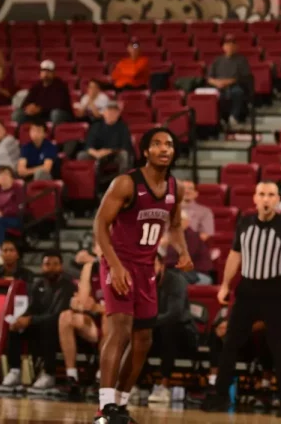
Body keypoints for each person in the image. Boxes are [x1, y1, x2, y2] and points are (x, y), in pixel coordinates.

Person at [93, 127, 189, 424]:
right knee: (119, 329)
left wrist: (182, 252)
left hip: (147, 269)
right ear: (145, 151)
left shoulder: (176, 188)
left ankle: (120, 403)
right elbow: (99, 225)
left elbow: (173, 225)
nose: (164, 148)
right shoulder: (126, 183)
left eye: (169, 144)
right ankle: (105, 405)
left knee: (144, 339)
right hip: (118, 264)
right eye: (157, 144)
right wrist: (115, 265)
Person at [204, 180, 281, 415]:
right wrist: (225, 286)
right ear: (255, 198)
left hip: (273, 293)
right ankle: (220, 397)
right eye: (262, 194)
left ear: (278, 199)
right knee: (230, 343)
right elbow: (234, 256)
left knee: (278, 346)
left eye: (271, 194)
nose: (267, 199)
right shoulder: (245, 223)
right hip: (247, 291)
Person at [0, 249, 76, 395]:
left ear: (61, 266)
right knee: (14, 327)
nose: (51, 267)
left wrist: (31, 320)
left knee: (48, 327)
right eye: (47, 264)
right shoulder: (38, 284)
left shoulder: (68, 286)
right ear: (42, 266)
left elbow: (58, 315)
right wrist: (21, 319)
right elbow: (32, 308)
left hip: (59, 328)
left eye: (55, 264)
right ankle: (15, 371)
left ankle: (49, 374)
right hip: (38, 323)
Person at [146, 251, 198, 405]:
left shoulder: (176, 281)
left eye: (152, 265)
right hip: (156, 332)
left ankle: (164, 385)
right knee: (138, 333)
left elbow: (174, 314)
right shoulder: (143, 283)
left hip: (183, 336)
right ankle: (136, 385)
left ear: (161, 265)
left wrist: (147, 322)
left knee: (169, 329)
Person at [57, 253, 104, 400]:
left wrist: (97, 307)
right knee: (65, 316)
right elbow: (83, 302)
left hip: (116, 324)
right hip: (94, 322)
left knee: (110, 319)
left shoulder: (122, 267)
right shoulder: (90, 268)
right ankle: (71, 377)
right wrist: (78, 303)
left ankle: (101, 378)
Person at [79, 102, 134, 184]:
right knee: (81, 155)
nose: (111, 114)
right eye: (109, 111)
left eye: (114, 112)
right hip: (97, 154)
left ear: (118, 114)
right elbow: (88, 145)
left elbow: (125, 146)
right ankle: (92, 186)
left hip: (114, 155)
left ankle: (121, 185)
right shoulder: (96, 126)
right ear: (104, 113)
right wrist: (96, 153)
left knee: (124, 155)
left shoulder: (123, 127)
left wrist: (109, 151)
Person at [206, 35, 252, 126]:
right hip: (218, 86)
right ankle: (218, 119)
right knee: (213, 95)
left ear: (236, 47)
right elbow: (209, 78)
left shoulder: (241, 60)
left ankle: (234, 116)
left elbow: (243, 77)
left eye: (231, 45)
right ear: (223, 47)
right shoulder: (217, 60)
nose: (229, 47)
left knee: (237, 92)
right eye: (227, 45)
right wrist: (217, 83)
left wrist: (226, 82)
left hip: (235, 85)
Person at [15, 60, 73, 126]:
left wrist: (40, 109)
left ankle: (55, 134)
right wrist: (29, 107)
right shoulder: (37, 86)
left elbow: (59, 105)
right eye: (43, 71)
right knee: (18, 114)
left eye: (48, 71)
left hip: (60, 114)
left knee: (56, 114)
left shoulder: (60, 85)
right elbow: (26, 102)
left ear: (53, 73)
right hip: (40, 115)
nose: (46, 74)